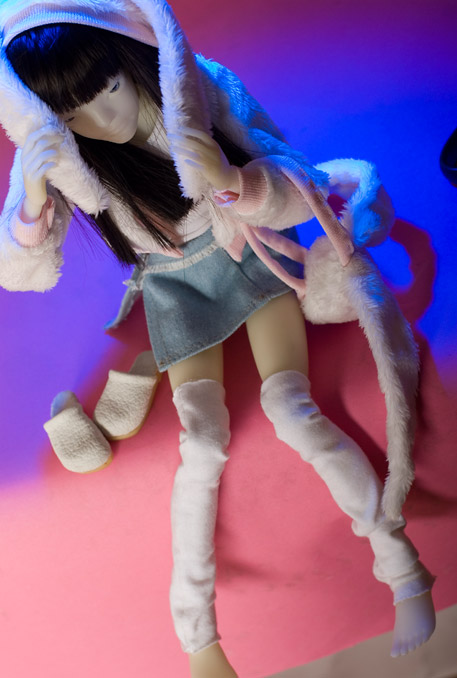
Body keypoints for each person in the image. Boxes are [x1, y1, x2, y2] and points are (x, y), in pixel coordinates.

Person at [0, 1, 436, 676]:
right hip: (176, 291)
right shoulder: (62, 157)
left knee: (292, 409)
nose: (103, 119)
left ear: (133, 56)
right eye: (73, 114)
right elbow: (20, 268)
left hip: (246, 256)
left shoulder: (200, 89)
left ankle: (403, 568)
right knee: (200, 444)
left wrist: (235, 182)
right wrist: (32, 198)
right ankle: (198, 641)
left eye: (109, 86)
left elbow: (297, 178)